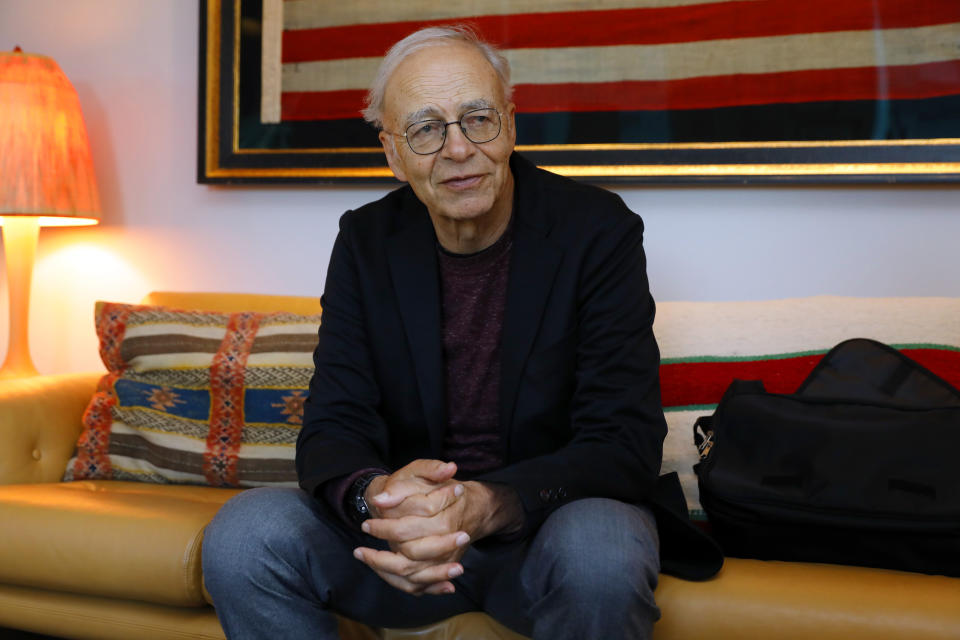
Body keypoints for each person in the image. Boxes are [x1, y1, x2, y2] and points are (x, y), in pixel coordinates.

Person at [202, 25, 719, 640]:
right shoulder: (367, 242)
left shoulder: (597, 231)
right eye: (425, 129)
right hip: (399, 547)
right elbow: (334, 424)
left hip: (544, 531)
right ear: (392, 152)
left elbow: (624, 441)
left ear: (510, 123)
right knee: (243, 536)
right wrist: (380, 500)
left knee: (604, 550)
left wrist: (486, 503)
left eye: (477, 118)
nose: (457, 150)